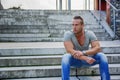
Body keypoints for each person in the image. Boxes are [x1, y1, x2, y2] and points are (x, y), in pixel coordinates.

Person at [61, 16, 110, 80]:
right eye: (73, 25)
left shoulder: (89, 33)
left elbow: (97, 48)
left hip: (87, 60)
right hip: (75, 61)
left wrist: (83, 53)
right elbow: (70, 50)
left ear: (82, 25)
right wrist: (85, 58)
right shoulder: (68, 34)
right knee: (66, 57)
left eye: (76, 25)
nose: (74, 27)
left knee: (102, 56)